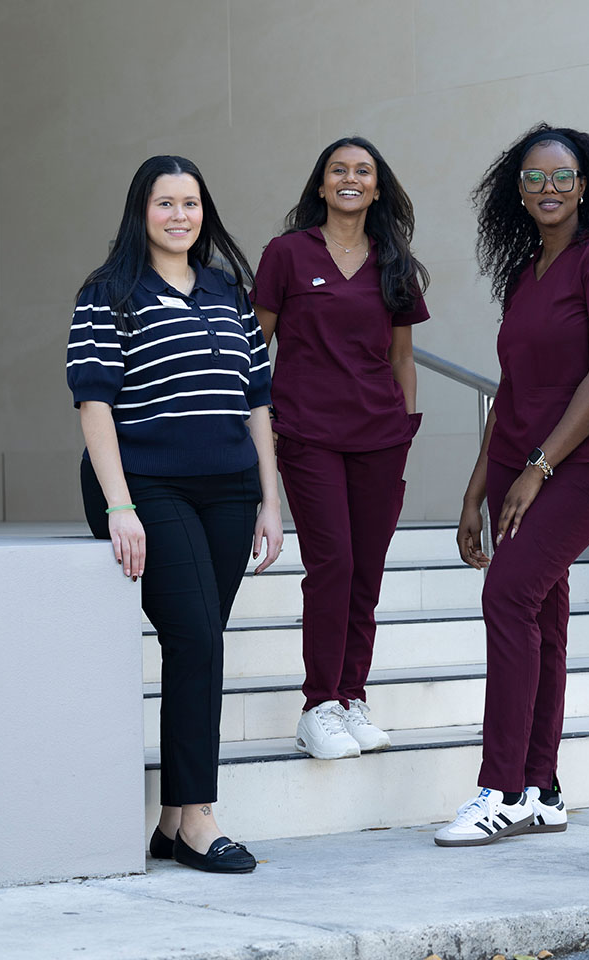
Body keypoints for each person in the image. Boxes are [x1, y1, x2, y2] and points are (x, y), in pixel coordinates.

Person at [434, 124, 589, 847]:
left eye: (562, 177)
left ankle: (499, 787)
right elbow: (514, 388)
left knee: (508, 595)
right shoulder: (525, 272)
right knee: (543, 616)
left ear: (586, 186)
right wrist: (475, 488)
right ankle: (542, 788)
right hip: (520, 462)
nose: (548, 189)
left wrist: (538, 468)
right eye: (533, 178)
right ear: (516, 192)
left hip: (584, 464)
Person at [66, 156, 283, 873]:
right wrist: (120, 504)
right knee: (197, 639)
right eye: (166, 203)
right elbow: (94, 403)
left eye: (191, 203)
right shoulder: (108, 293)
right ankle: (201, 820)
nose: (180, 215)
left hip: (228, 488)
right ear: (142, 211)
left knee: (198, 644)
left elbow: (257, 401)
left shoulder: (226, 291)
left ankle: (170, 820)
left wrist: (269, 499)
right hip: (147, 487)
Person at [251, 137, 429, 760]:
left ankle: (353, 696)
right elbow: (258, 349)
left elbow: (402, 358)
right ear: (321, 185)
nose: (350, 179)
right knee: (333, 563)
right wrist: (264, 426)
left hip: (380, 438)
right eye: (338, 170)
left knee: (368, 571)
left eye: (363, 171)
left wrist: (404, 429)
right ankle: (318, 704)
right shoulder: (287, 255)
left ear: (377, 188)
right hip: (307, 435)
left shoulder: (394, 263)